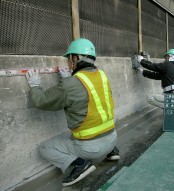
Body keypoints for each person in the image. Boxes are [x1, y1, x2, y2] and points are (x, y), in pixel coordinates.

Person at [25, 38, 120, 187]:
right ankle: (111, 151)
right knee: (84, 127)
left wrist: (35, 85)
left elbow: (41, 101)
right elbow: (90, 98)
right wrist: (70, 79)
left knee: (44, 148)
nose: (68, 63)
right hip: (112, 138)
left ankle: (80, 164)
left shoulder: (70, 84)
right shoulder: (102, 75)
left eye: (69, 59)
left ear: (75, 58)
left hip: (92, 149)